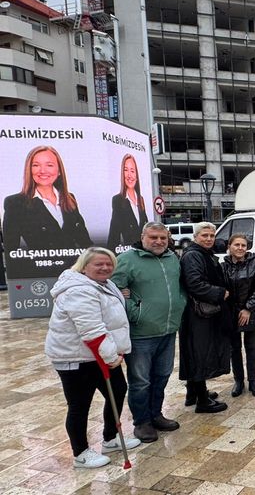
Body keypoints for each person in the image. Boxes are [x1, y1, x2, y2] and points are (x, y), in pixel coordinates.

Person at [46, 247, 141, 468]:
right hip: (77, 357)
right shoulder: (78, 290)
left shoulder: (105, 284)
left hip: (100, 354)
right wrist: (111, 356)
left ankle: (110, 438)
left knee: (117, 391)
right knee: (79, 405)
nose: (105, 268)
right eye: (99, 264)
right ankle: (80, 453)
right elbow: (92, 330)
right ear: (84, 266)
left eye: (109, 264)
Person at [111, 222, 185, 444]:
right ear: (143, 237)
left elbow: (180, 286)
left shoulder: (172, 258)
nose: (159, 241)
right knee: (141, 381)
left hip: (168, 330)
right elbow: (113, 291)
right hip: (141, 334)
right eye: (153, 237)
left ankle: (156, 414)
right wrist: (134, 311)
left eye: (163, 238)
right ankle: (142, 422)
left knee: (161, 376)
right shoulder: (127, 259)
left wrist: (181, 303)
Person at [3, 145, 92, 275]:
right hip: (40, 275)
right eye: (36, 165)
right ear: (29, 170)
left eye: (49, 165)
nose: (42, 170)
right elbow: (12, 251)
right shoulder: (15, 203)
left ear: (59, 171)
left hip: (76, 274)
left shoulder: (69, 198)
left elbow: (86, 243)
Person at [179, 222, 231, 413]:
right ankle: (202, 401)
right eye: (204, 235)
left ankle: (193, 393)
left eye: (211, 235)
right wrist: (220, 293)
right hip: (197, 314)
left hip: (199, 312)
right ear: (195, 237)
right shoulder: (193, 255)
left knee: (196, 352)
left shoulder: (202, 253)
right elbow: (195, 284)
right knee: (200, 354)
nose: (209, 239)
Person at [222, 234, 255, 398]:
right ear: (229, 247)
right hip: (231, 312)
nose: (240, 248)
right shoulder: (223, 266)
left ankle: (253, 381)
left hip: (251, 311)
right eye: (237, 245)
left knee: (251, 347)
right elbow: (222, 288)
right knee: (234, 348)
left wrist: (248, 308)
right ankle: (238, 381)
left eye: (243, 245)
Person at [107, 154, 149, 251]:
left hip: (144, 252)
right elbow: (114, 233)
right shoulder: (118, 200)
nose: (129, 175)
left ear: (136, 176)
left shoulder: (141, 200)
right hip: (130, 253)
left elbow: (146, 228)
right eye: (126, 170)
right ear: (122, 174)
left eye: (132, 171)